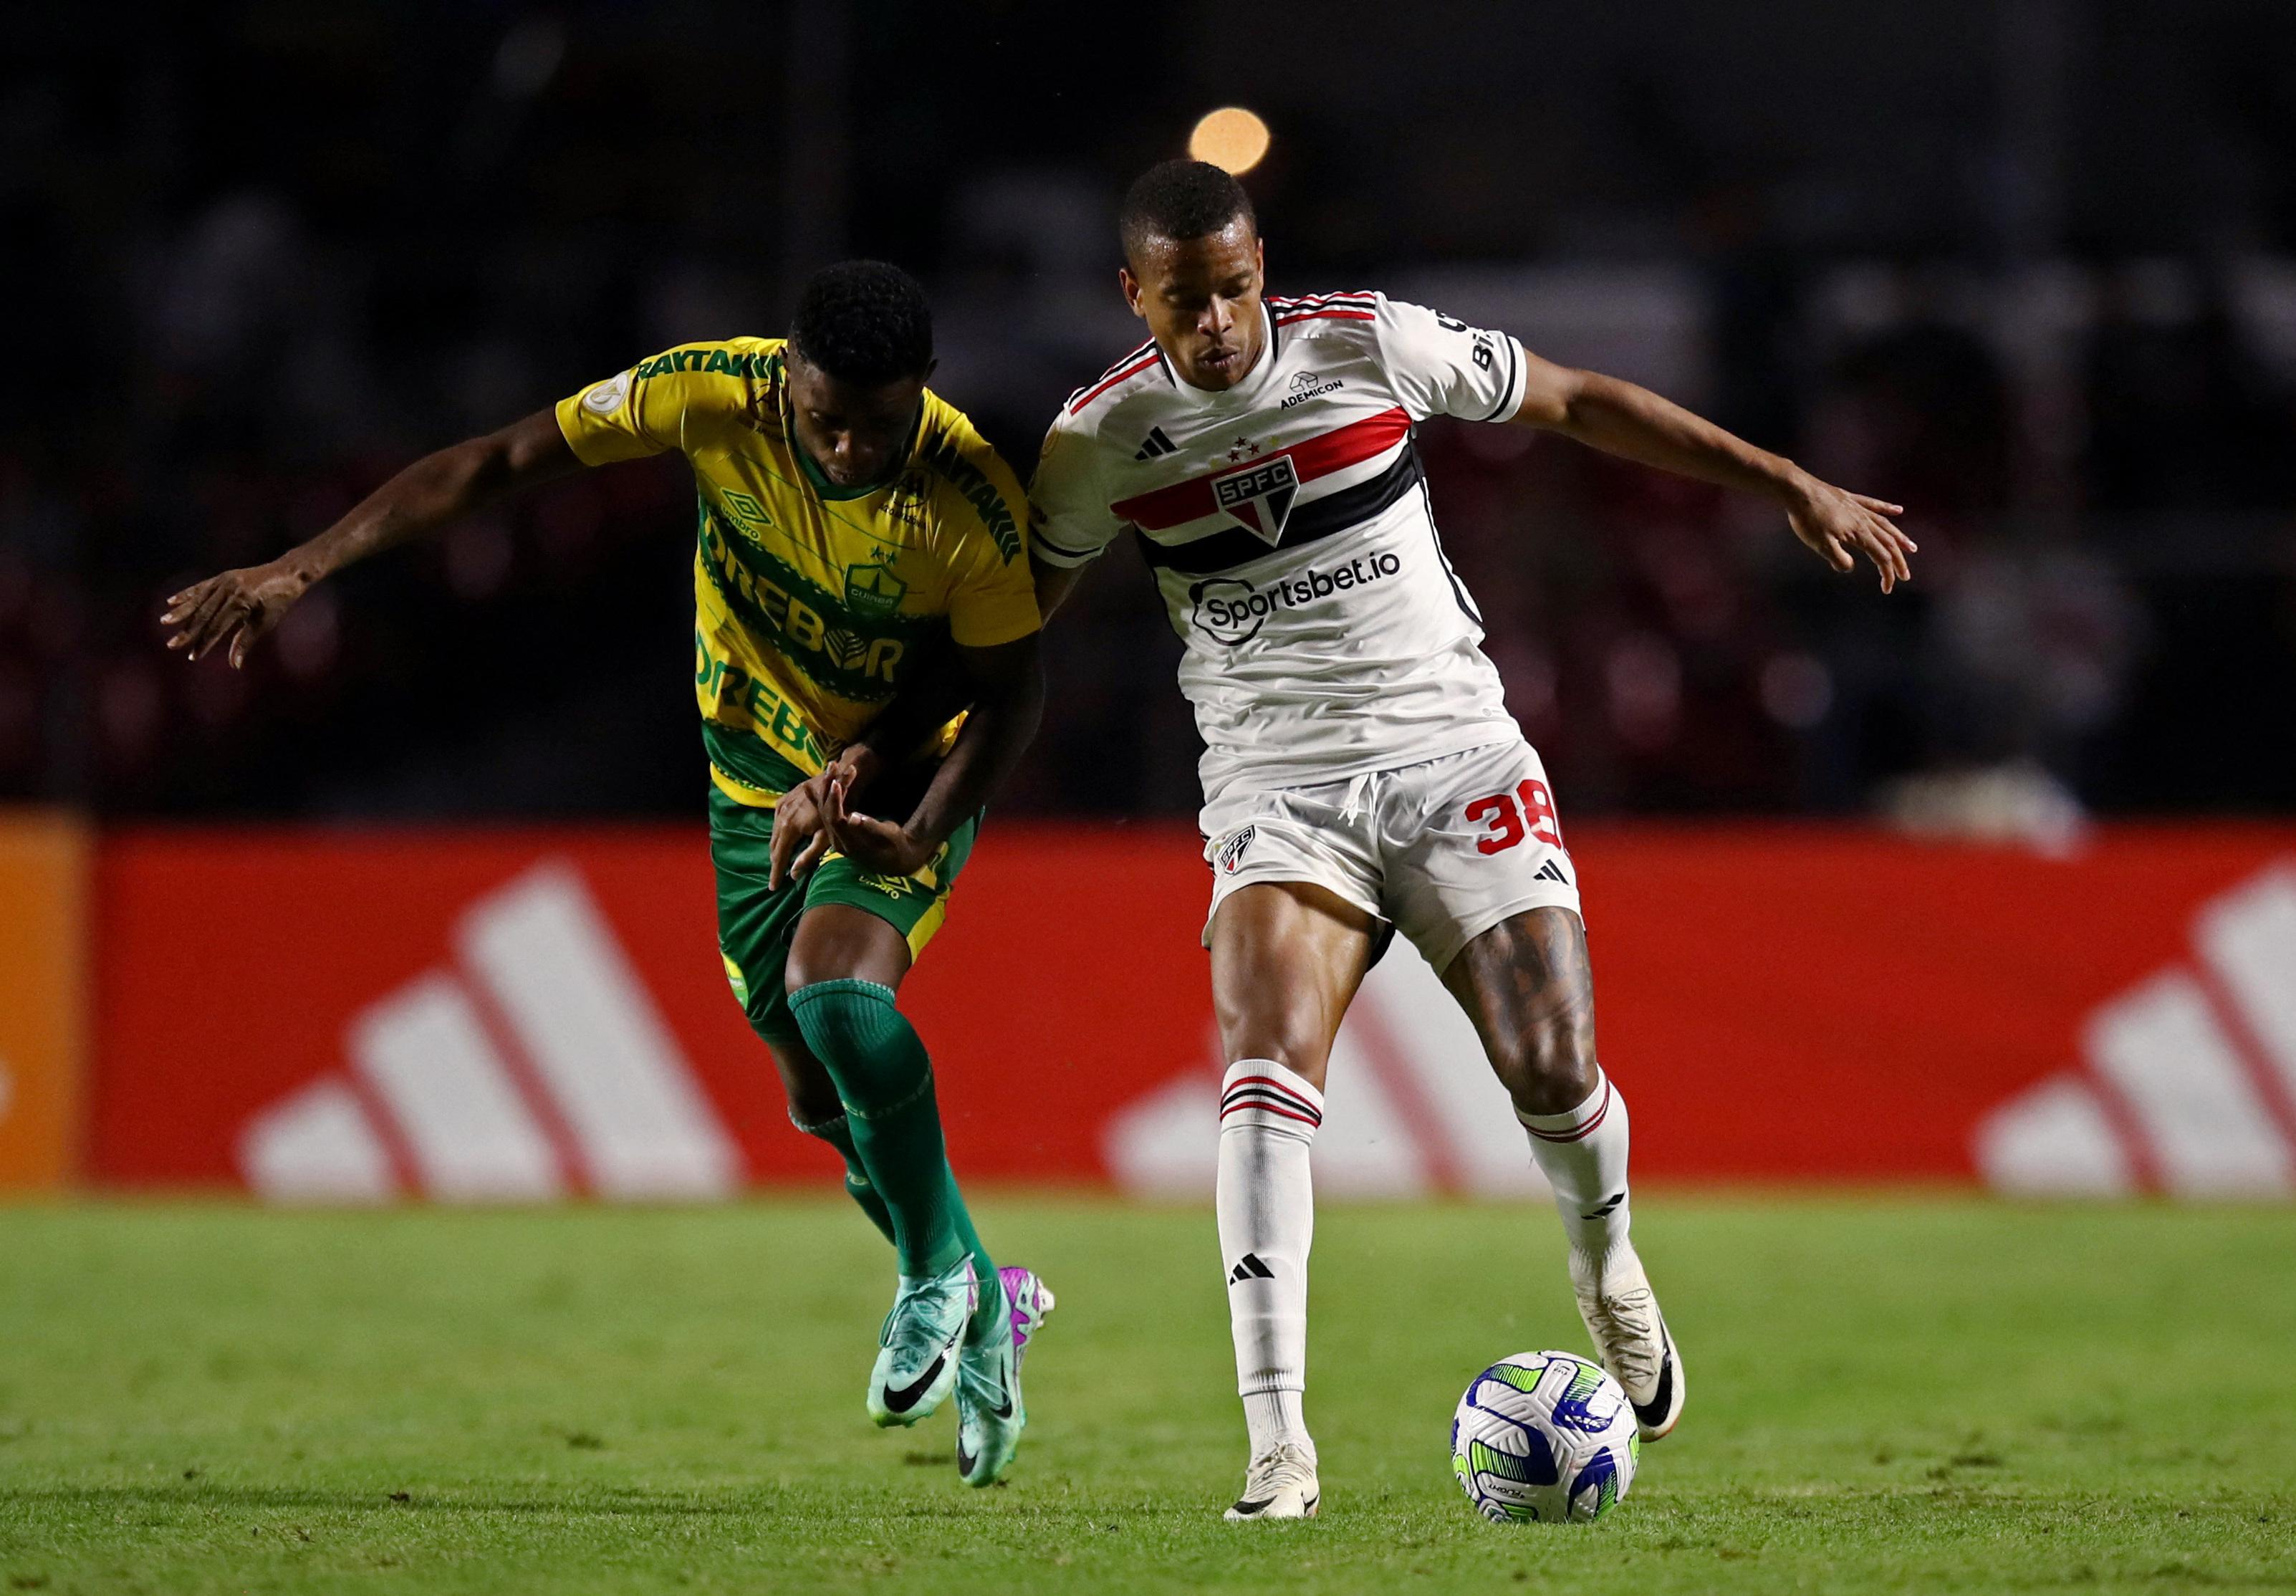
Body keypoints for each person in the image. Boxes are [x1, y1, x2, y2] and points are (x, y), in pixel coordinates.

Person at [1026, 160, 1916, 1520]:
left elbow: (1576, 401)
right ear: (1135, 294)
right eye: (1186, 301)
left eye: (1235, 290)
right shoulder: (1096, 440)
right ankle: (1278, 1444)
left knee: (1551, 1068)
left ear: (1263, 269)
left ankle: (1607, 1265)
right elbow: (1011, 609)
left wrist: (1778, 476)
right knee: (1261, 1075)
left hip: (1451, 755)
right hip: (1278, 788)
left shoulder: (1366, 342)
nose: (1215, 325)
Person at [161, 260, 1055, 1488]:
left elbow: (1008, 693)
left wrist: (910, 820)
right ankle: (985, 1295)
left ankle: (928, 1281)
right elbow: (497, 462)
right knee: (809, 1092)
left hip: (898, 776)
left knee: (837, 997)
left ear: (927, 393)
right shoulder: (710, 396)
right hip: (750, 777)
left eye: (878, 423)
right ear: (785, 376)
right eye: (824, 418)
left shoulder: (968, 501)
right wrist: (298, 570)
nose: (848, 448)